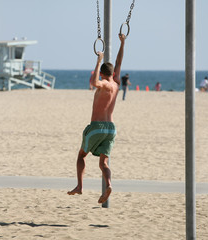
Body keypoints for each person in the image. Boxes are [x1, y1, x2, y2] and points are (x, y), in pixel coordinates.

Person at [67, 34, 126, 204]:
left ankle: (79, 186)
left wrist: (99, 59)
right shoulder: (116, 84)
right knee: (104, 163)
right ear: (113, 73)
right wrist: (122, 43)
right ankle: (108, 184)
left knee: (81, 156)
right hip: (111, 129)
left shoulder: (105, 84)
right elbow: (119, 62)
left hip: (97, 126)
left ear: (102, 73)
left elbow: (93, 82)